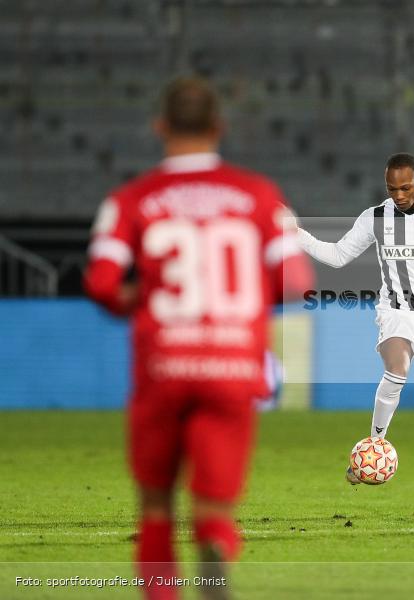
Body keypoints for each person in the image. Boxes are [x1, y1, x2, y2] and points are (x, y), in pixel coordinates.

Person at [83, 77, 314, 600]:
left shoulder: (131, 199)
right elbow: (296, 283)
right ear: (219, 127)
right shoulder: (259, 195)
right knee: (212, 504)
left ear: (160, 127)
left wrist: (137, 300)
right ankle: (212, 543)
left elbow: (99, 283)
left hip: (163, 365)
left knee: (157, 504)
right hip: (232, 366)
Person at [296, 153, 414, 520]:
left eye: (406, 187)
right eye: (392, 188)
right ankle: (373, 447)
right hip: (395, 311)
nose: (399, 195)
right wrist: (299, 235)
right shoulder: (375, 217)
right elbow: (338, 256)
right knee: (397, 371)